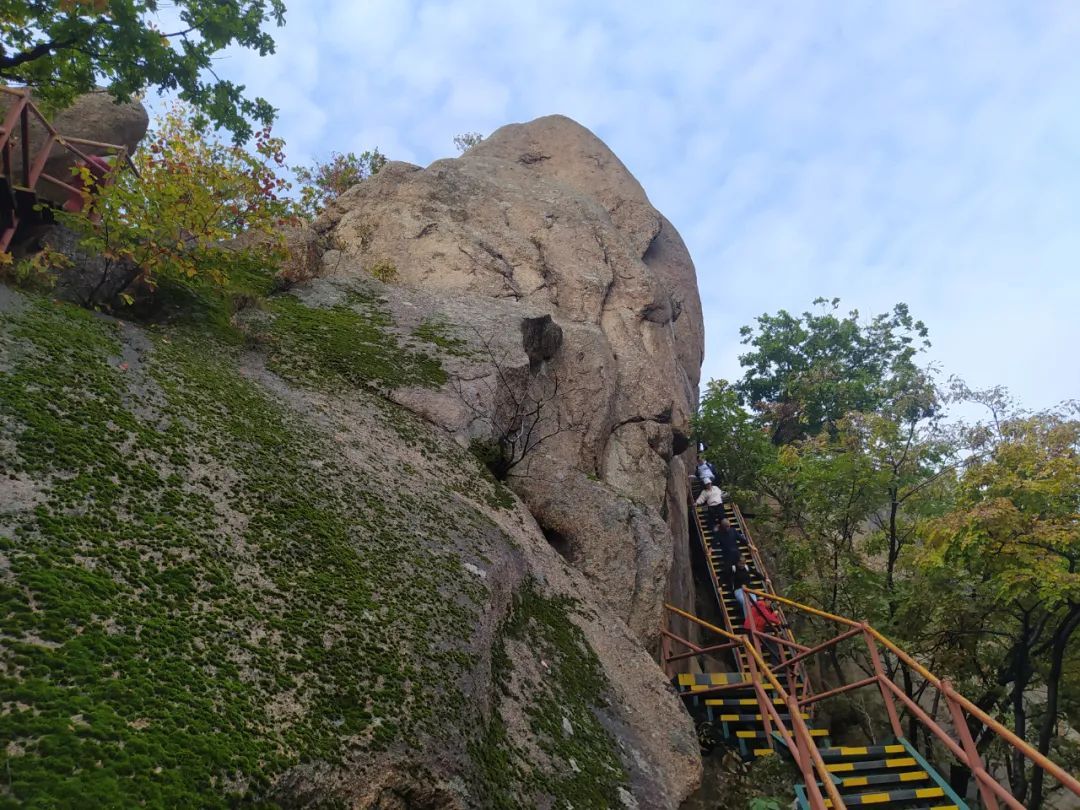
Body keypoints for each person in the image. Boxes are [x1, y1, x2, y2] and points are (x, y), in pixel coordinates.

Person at [712, 519, 743, 592]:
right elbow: (714, 542)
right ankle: (721, 585)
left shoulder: (733, 531)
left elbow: (741, 539)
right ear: (723, 527)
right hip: (727, 555)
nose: (728, 528)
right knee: (726, 570)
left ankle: (740, 584)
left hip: (736, 554)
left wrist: (750, 545)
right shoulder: (719, 533)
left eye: (729, 526)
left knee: (740, 569)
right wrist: (710, 550)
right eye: (726, 527)